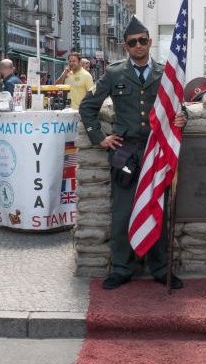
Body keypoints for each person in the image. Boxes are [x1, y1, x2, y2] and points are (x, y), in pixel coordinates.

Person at [79, 16, 187, 291]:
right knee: (123, 211)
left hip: (156, 149)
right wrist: (100, 138)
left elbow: (178, 107)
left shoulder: (165, 73)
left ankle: (161, 269)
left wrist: (183, 118)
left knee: (157, 209)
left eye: (142, 41)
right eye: (132, 43)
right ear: (126, 46)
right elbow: (87, 107)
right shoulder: (114, 74)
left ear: (150, 42)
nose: (138, 46)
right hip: (125, 152)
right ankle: (121, 269)